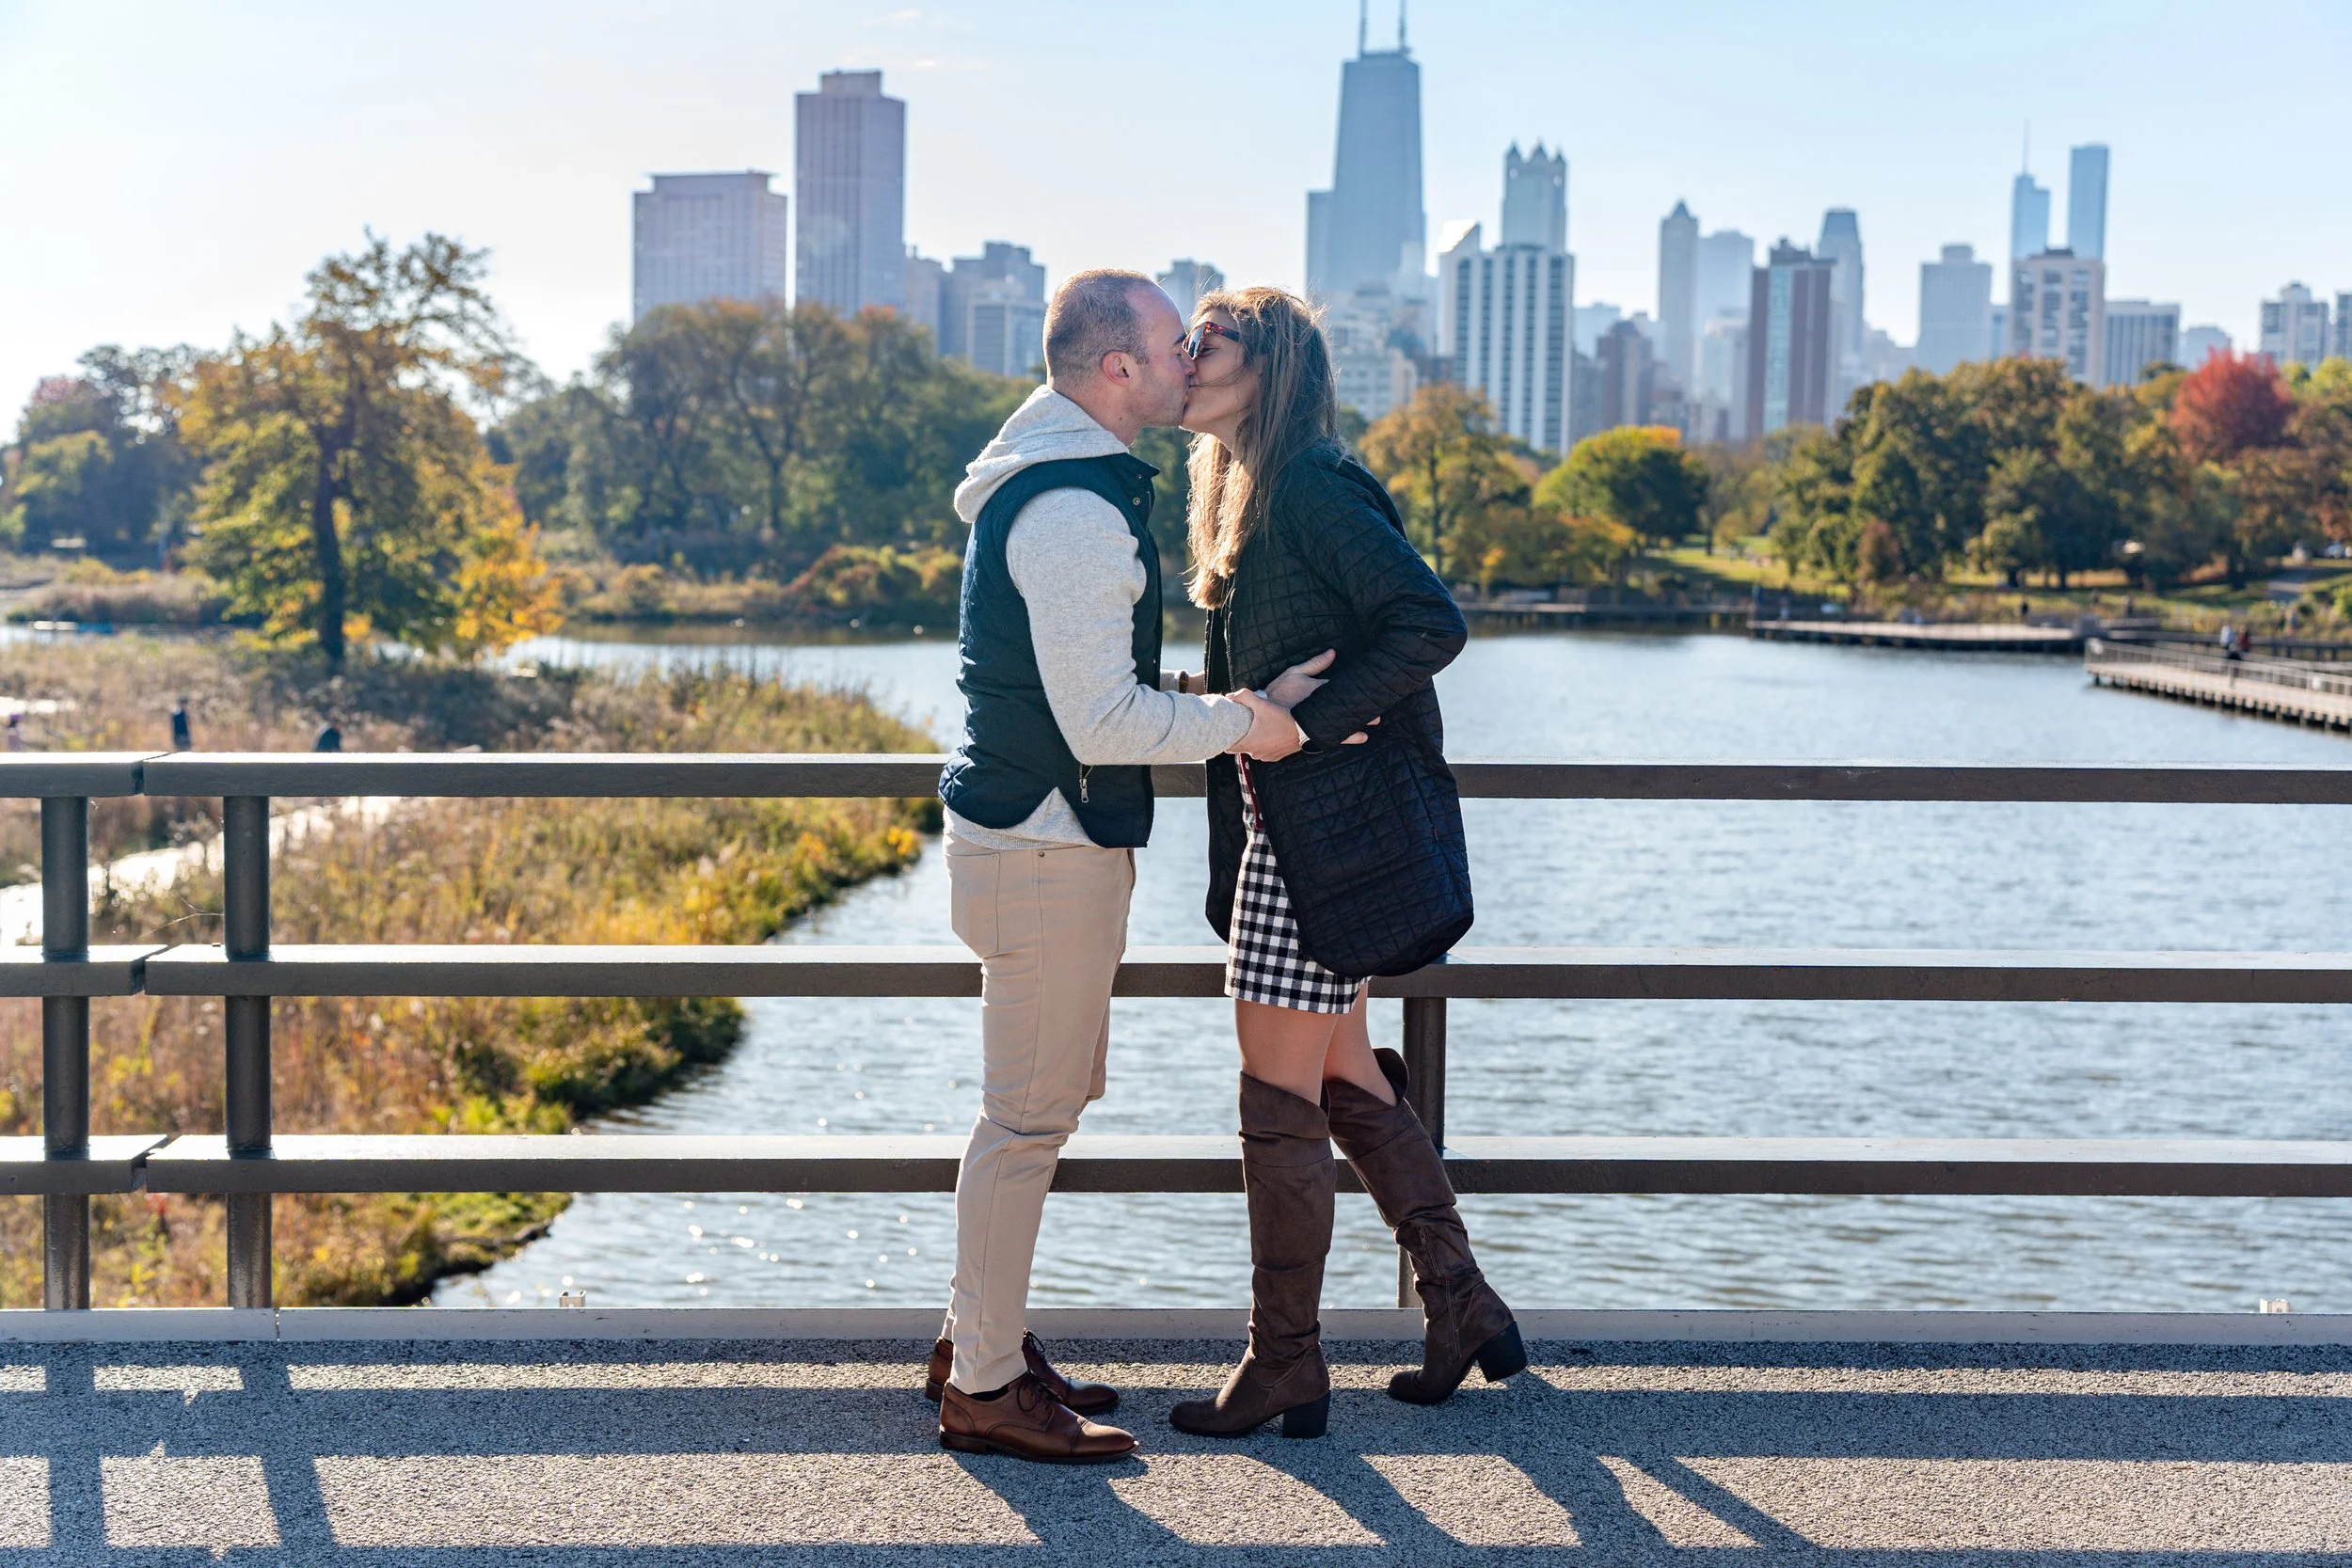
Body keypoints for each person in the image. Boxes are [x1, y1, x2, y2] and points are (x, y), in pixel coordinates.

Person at [928, 269, 1330, 1464]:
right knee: (1026, 1120)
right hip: (1046, 848)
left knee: (1037, 1110)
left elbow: (1094, 696)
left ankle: (979, 1342)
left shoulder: (1064, 486)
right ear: (1115, 369)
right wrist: (1251, 719)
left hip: (1045, 842)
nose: (1189, 359)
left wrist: (1205, 704)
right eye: (1169, 344)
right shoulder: (1071, 513)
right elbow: (1102, 723)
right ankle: (985, 1384)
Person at [1164, 287, 1521, 1442]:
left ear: (1264, 363)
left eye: (1207, 339)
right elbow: (1274, 685)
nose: (1186, 352)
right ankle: (1460, 1304)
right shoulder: (1249, 497)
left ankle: (1287, 1363)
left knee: (1278, 1091)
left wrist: (1306, 725)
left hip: (1322, 837)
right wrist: (1217, 707)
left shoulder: (1311, 481)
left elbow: (1428, 622)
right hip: (1312, 837)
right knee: (1341, 1074)